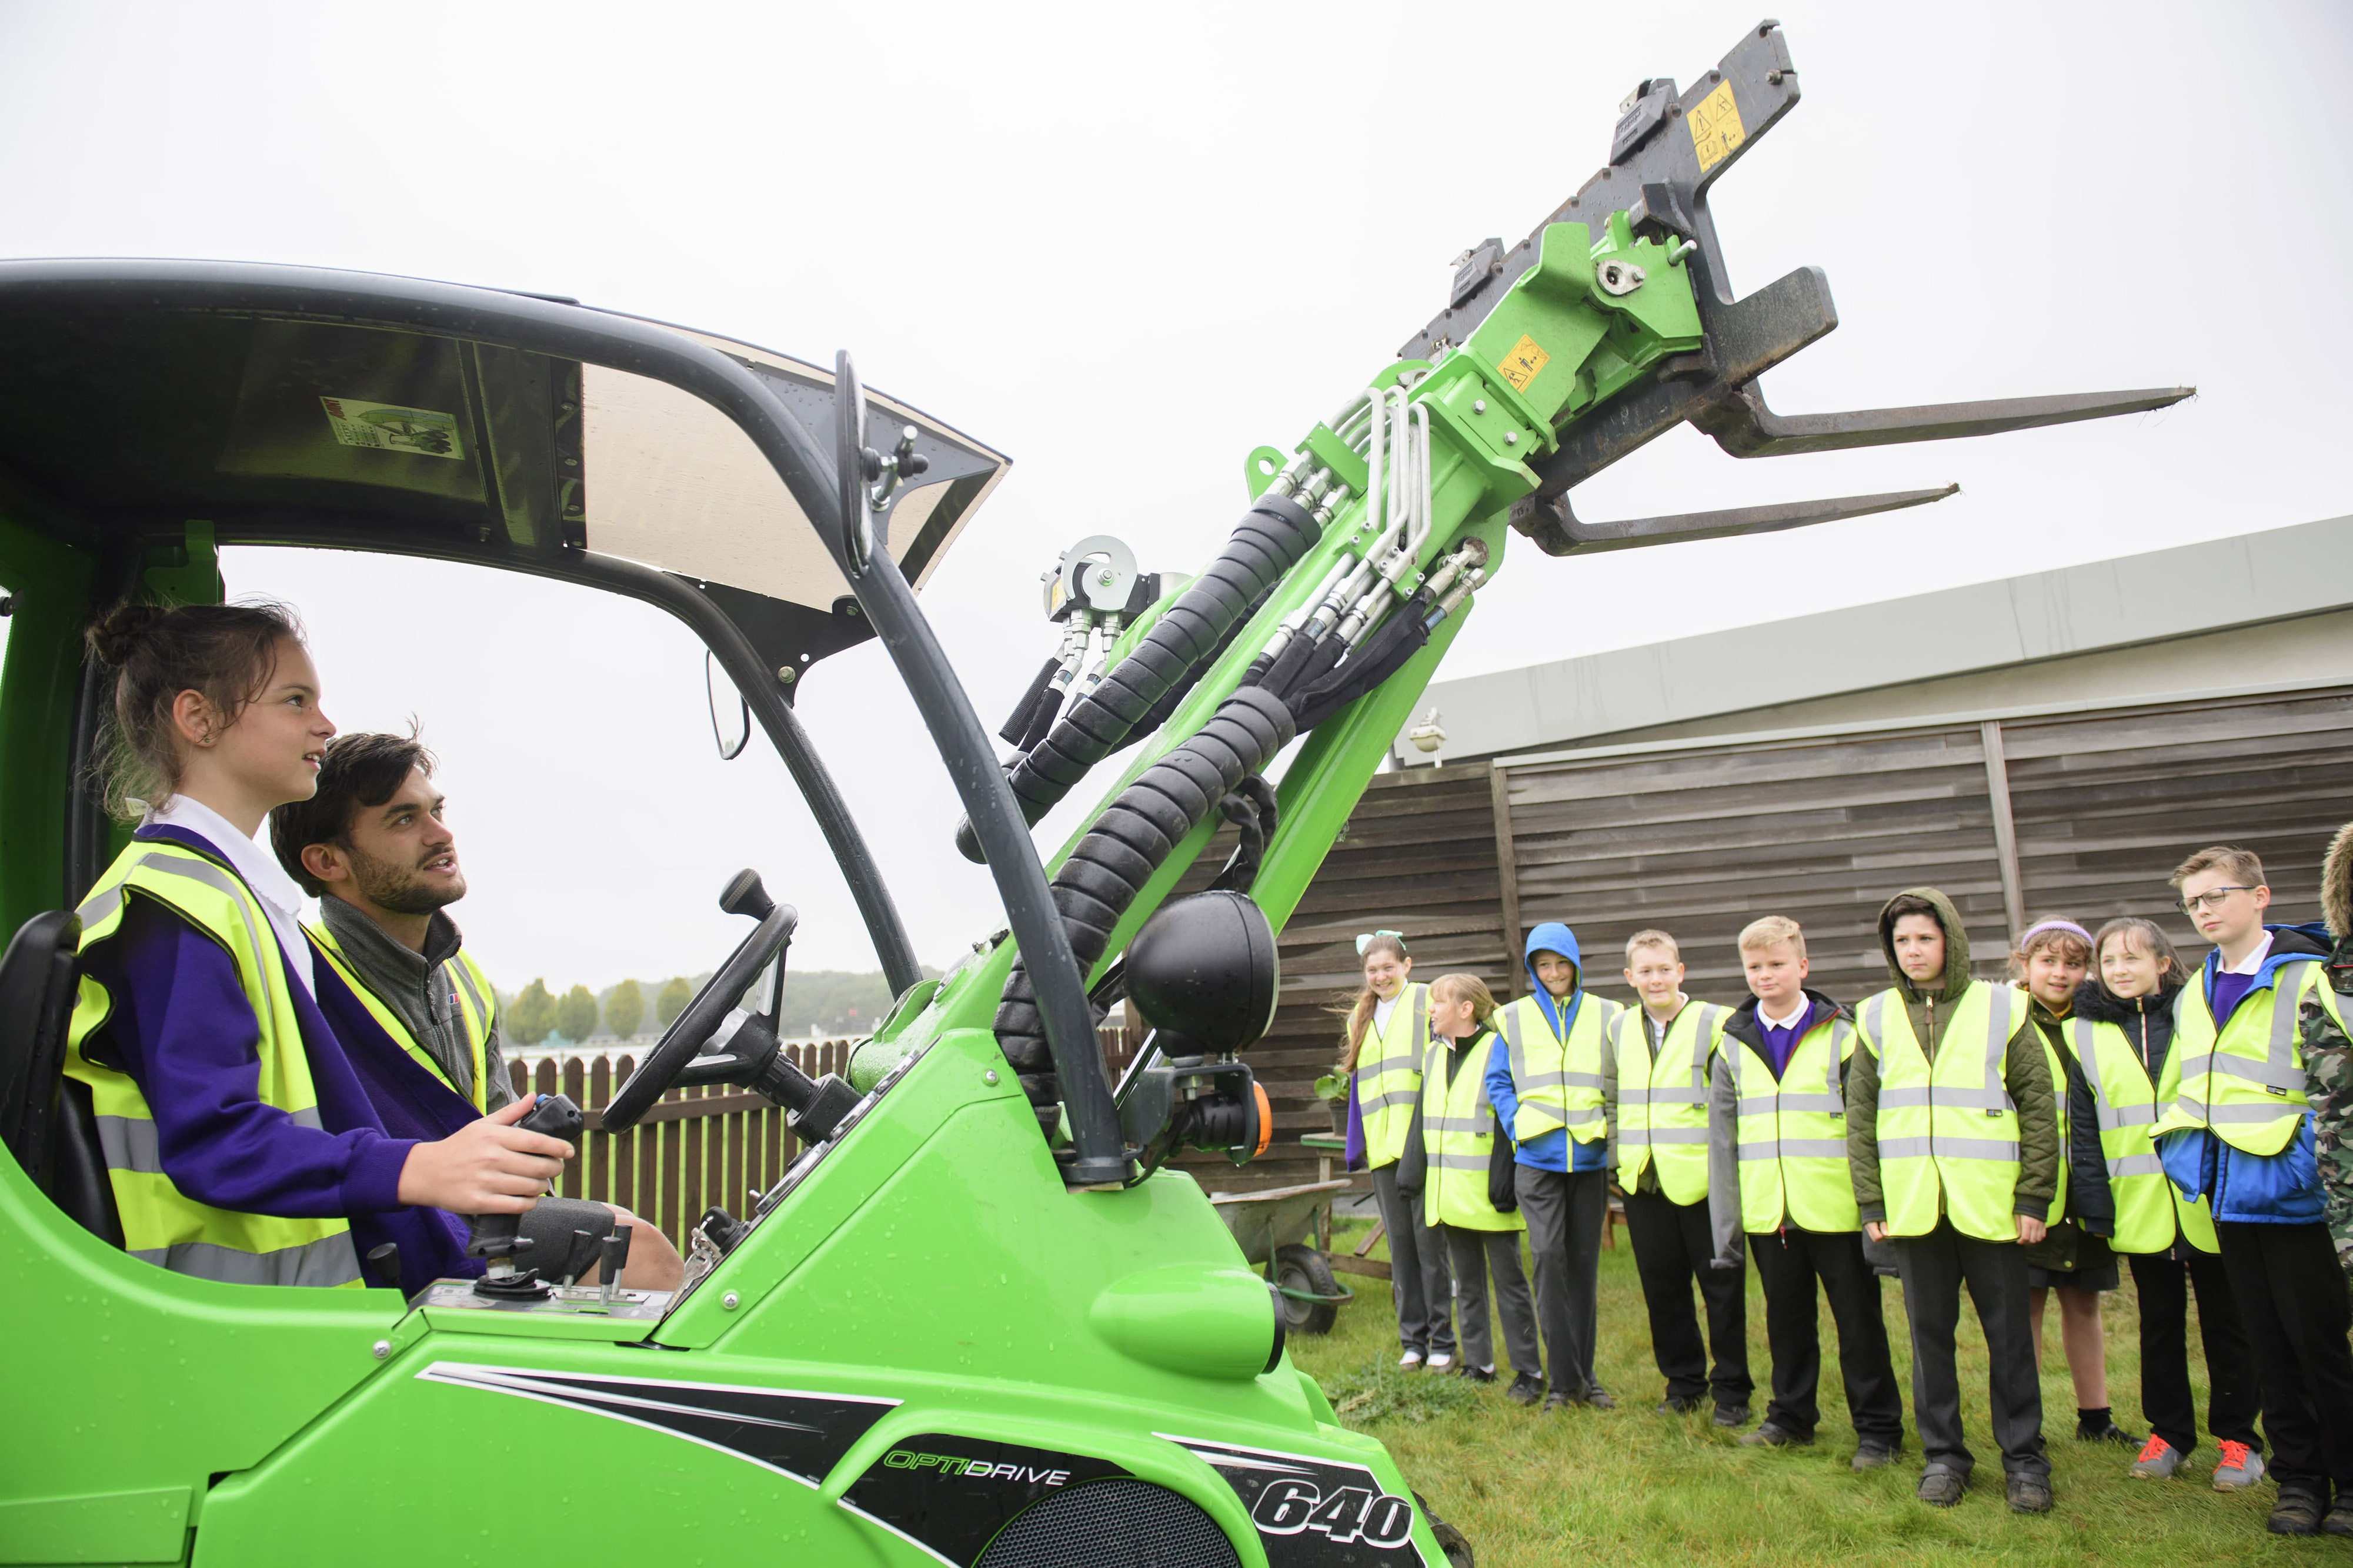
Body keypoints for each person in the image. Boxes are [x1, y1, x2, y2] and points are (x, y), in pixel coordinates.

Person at [60, 602, 572, 1292]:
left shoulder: (234, 896)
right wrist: (419, 1169)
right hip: (232, 1314)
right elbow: (215, 1144)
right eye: (295, 700)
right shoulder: (173, 908)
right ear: (198, 719)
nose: (325, 725)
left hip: (296, 1296)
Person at [269, 730, 680, 1289]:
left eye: (436, 810)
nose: (442, 834)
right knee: (636, 1252)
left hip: (468, 1218)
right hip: (372, 1233)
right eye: (403, 820)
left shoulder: (465, 979)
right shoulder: (301, 980)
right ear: (325, 860)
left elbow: (502, 1136)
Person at [2152, 845, 2353, 1537]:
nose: (2203, 911)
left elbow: (2336, 1083)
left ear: (2259, 895)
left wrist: (2306, 1162)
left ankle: (2349, 1484)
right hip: (2229, 1196)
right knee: (2266, 1346)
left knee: (2319, 1344)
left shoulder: (2308, 975)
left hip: (2299, 1193)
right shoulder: (2190, 991)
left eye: (2216, 896)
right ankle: (2298, 1482)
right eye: (2193, 903)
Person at [1848, 887, 2059, 1514]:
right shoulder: (1876, 1015)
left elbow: (2039, 1109)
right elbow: (1859, 1117)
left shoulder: (2004, 1009)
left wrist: (2033, 1196)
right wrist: (1870, 1202)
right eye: (1901, 940)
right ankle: (1943, 1457)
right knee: (1928, 1339)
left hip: (1991, 1208)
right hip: (1913, 1207)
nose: (1912, 950)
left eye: (1924, 938)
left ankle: (2023, 1459)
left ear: (1951, 941)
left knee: (2009, 1342)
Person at [1706, 917, 1904, 1468]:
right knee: (1785, 1320)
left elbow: (1867, 1125)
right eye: (1754, 967)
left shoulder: (1843, 1034)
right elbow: (1723, 1138)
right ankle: (1790, 1417)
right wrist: (1731, 1219)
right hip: (1772, 1211)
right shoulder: (1732, 1045)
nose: (1765, 976)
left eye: (1776, 964)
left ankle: (1879, 1429)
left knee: (1857, 1322)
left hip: (1836, 1209)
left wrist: (1873, 1204)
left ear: (1802, 966)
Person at [2078, 917, 2263, 1489]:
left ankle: (2238, 1440)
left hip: (2207, 1199)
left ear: (2162, 964)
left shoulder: (2199, 1015)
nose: (2118, 970)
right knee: (2157, 1325)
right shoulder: (2084, 1033)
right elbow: (2081, 1127)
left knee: (2227, 1324)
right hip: (2137, 1206)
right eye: (2108, 961)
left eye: (2132, 958)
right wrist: (2095, 1202)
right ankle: (2169, 1434)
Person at [1603, 930, 1748, 1426]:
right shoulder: (1619, 1028)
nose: (1655, 978)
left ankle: (1732, 1390)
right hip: (1643, 1179)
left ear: (1680, 971)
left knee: (1721, 1288)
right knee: (1663, 1289)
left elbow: (1732, 1100)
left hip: (1702, 1181)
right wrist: (1617, 1157)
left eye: (1664, 968)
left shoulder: (1715, 1021)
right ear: (1630, 978)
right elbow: (1611, 1096)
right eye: (1645, 971)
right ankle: (1683, 1383)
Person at [2011, 918, 2139, 1446]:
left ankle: (2095, 1417)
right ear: (2024, 965)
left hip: (2086, 1184)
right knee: (2028, 1302)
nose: (2059, 973)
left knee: (2083, 1301)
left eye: (2072, 963)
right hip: (2030, 1189)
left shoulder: (2097, 1023)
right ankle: (2026, 1420)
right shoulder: (2008, 1022)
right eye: (2047, 961)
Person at [1487, 921, 1619, 1411]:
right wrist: (1517, 1122)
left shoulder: (1609, 1013)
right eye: (1543, 964)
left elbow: (1617, 1076)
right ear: (1531, 969)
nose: (1554, 972)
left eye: (1561, 963)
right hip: (1536, 1159)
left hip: (1588, 1156)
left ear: (1576, 964)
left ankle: (1587, 1377)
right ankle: (1562, 1385)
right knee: (1547, 1259)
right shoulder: (1512, 1017)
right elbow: (1497, 1081)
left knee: (1583, 1268)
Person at [1397, 974, 1538, 1389]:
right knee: (1469, 1284)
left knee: (1510, 1284)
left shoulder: (1500, 1050)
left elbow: (1508, 1118)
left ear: (1466, 1009)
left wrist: (1505, 1179)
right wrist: (1412, 1170)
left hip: (1491, 1196)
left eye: (1438, 1002)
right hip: (1450, 1197)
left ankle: (1528, 1371)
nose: (1431, 1010)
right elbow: (1424, 1118)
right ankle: (1480, 1364)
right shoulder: (1433, 1054)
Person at [1338, 932, 1453, 1370]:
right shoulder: (1358, 1017)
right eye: (1372, 970)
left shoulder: (1429, 999)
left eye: (1388, 967)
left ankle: (1443, 1341)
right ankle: (1413, 1341)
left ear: (1407, 964)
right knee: (1401, 1248)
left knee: (1430, 1246)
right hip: (1383, 1149)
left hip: (1421, 1143)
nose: (1381, 976)